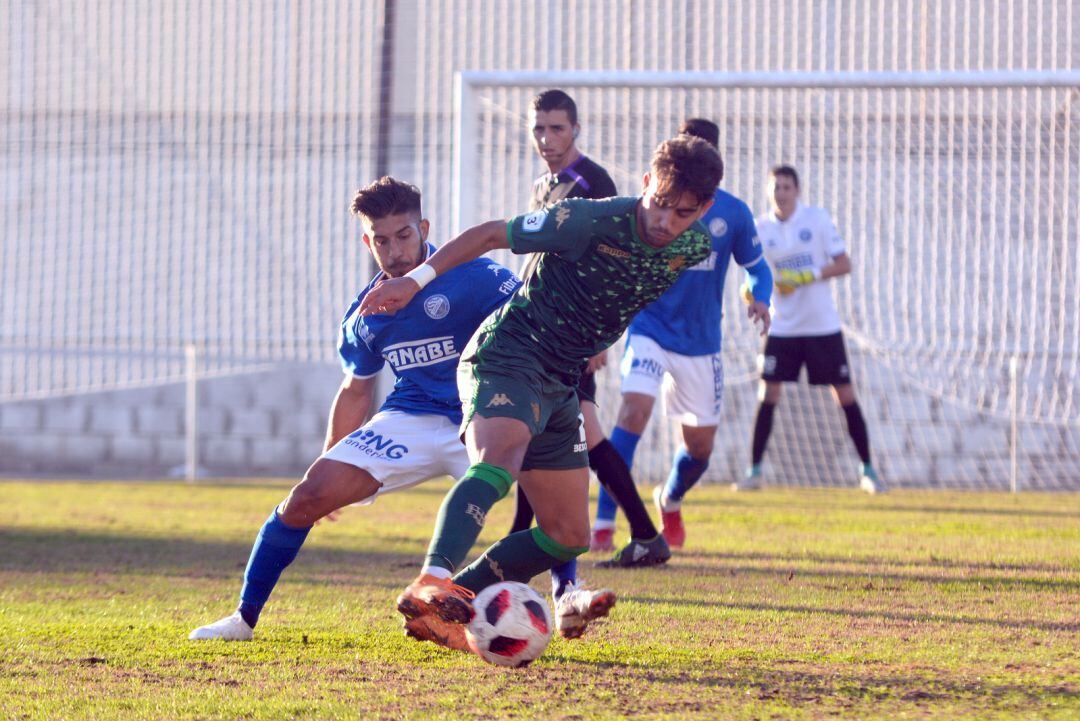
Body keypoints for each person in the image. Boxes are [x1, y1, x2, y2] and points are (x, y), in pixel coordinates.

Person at [359, 134, 723, 653]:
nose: (666, 220)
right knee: (499, 462)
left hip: (562, 377)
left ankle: (452, 603)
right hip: (510, 351)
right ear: (645, 184)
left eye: (683, 212)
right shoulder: (587, 220)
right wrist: (415, 282)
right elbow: (489, 235)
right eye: (660, 202)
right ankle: (431, 579)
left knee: (567, 534)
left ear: (703, 208)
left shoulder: (694, 246)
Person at [188, 177, 521, 642]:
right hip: (413, 417)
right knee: (304, 497)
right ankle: (243, 619)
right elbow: (356, 390)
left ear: (424, 227)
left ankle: (562, 593)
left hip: (483, 413)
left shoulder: (478, 277)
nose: (395, 250)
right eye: (381, 240)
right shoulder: (366, 312)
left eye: (404, 235)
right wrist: (329, 461)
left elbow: (534, 321)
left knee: (544, 500)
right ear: (368, 241)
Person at [592, 118, 773, 551]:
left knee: (700, 448)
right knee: (632, 413)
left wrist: (757, 296)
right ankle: (603, 523)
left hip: (700, 343)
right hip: (649, 328)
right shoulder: (651, 207)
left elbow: (757, 268)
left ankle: (669, 499)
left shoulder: (731, 213)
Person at [516, 89, 671, 580]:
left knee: (553, 432)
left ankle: (644, 535)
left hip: (575, 335)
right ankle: (646, 535)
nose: (546, 137)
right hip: (544, 329)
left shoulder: (593, 181)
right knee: (552, 433)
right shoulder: (545, 185)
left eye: (556, 128)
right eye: (539, 127)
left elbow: (615, 261)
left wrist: (601, 340)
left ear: (576, 129)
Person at [736, 165, 884, 494]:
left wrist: (807, 276)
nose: (781, 193)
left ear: (797, 191)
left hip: (821, 326)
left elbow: (844, 263)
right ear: (768, 191)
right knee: (768, 394)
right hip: (782, 328)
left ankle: (868, 471)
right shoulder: (759, 227)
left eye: (787, 187)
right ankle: (754, 471)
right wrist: (750, 290)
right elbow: (752, 272)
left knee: (844, 394)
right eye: (776, 187)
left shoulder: (816, 219)